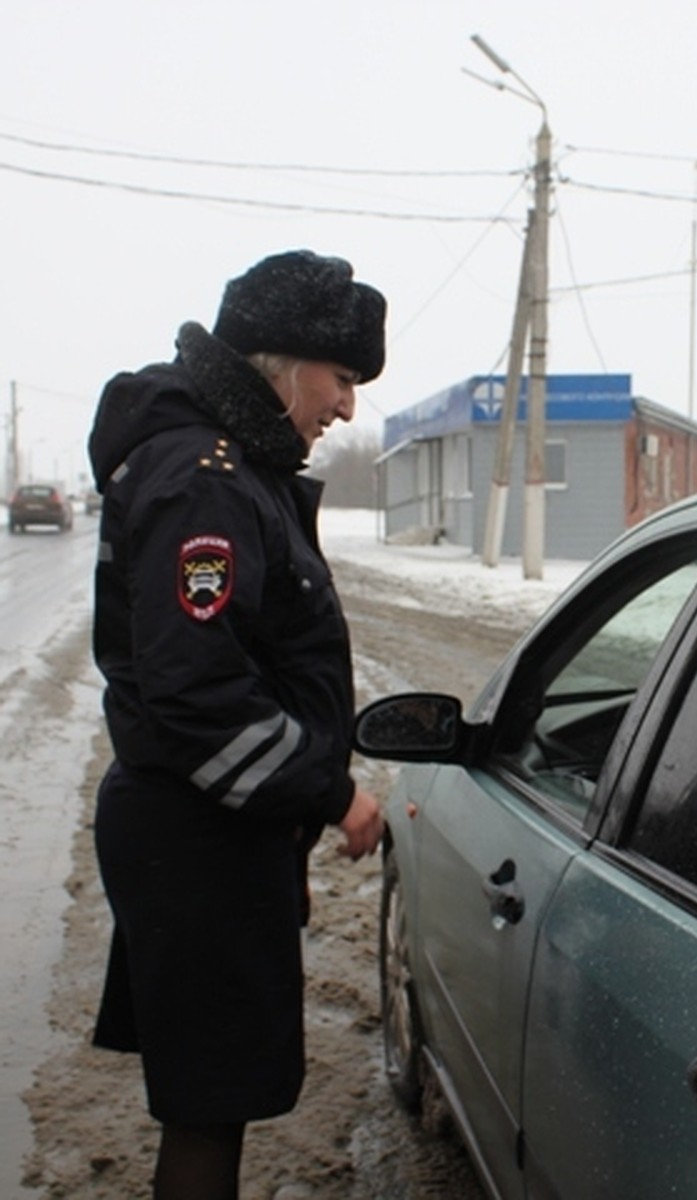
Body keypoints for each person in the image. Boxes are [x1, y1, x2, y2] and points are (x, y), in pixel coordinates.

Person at [87, 250, 388, 1200]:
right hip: (197, 839)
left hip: (210, 835)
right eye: (340, 379)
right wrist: (331, 792)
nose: (345, 407)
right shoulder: (205, 476)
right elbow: (197, 693)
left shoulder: (230, 464)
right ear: (281, 362)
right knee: (209, 1106)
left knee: (212, 1099)